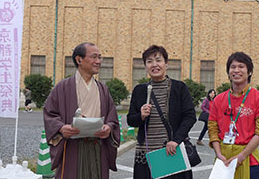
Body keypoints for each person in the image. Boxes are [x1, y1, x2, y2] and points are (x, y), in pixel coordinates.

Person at [43, 42, 120, 179]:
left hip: (98, 147)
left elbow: (112, 117)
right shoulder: (63, 87)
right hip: (72, 147)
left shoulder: (103, 89)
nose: (98, 61)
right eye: (94, 57)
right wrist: (61, 128)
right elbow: (50, 114)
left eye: (100, 58)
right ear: (79, 60)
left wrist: (108, 127)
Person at [127, 45, 196, 179]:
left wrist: (176, 140)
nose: (154, 64)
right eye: (149, 61)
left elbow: (190, 116)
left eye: (158, 60)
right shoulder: (139, 90)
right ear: (145, 66)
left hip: (170, 152)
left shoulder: (179, 88)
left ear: (166, 64)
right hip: (145, 154)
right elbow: (130, 119)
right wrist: (140, 115)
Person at [208, 52, 259, 179]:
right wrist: (218, 154)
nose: (236, 70)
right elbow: (212, 128)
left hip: (248, 159)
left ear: (249, 72)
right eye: (233, 67)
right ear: (228, 72)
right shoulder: (219, 99)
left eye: (241, 66)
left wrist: (241, 156)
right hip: (223, 160)